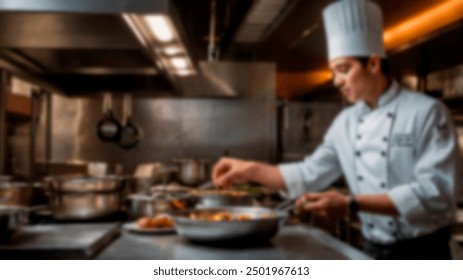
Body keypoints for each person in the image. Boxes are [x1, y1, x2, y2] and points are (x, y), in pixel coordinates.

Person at [212, 0, 460, 260]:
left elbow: (436, 193)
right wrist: (249, 170)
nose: (338, 81)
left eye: (344, 69)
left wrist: (351, 203)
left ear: (374, 64)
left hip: (425, 252)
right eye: (334, 73)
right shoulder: (346, 122)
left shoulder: (426, 111)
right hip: (373, 250)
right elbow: (308, 173)